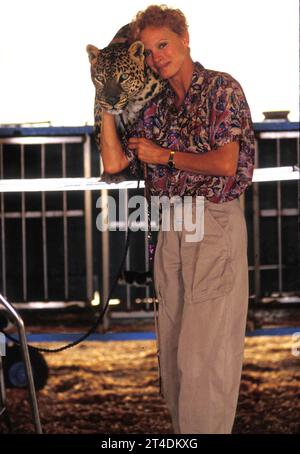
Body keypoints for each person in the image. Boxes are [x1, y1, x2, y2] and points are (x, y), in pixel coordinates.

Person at [101, 5, 255, 434]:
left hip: (213, 224)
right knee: (173, 360)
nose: (157, 57)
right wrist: (106, 98)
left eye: (163, 45)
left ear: (185, 38)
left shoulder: (221, 89)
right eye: (147, 52)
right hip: (170, 227)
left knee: (204, 358)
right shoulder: (154, 107)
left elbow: (227, 163)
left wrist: (165, 156)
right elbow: (114, 163)